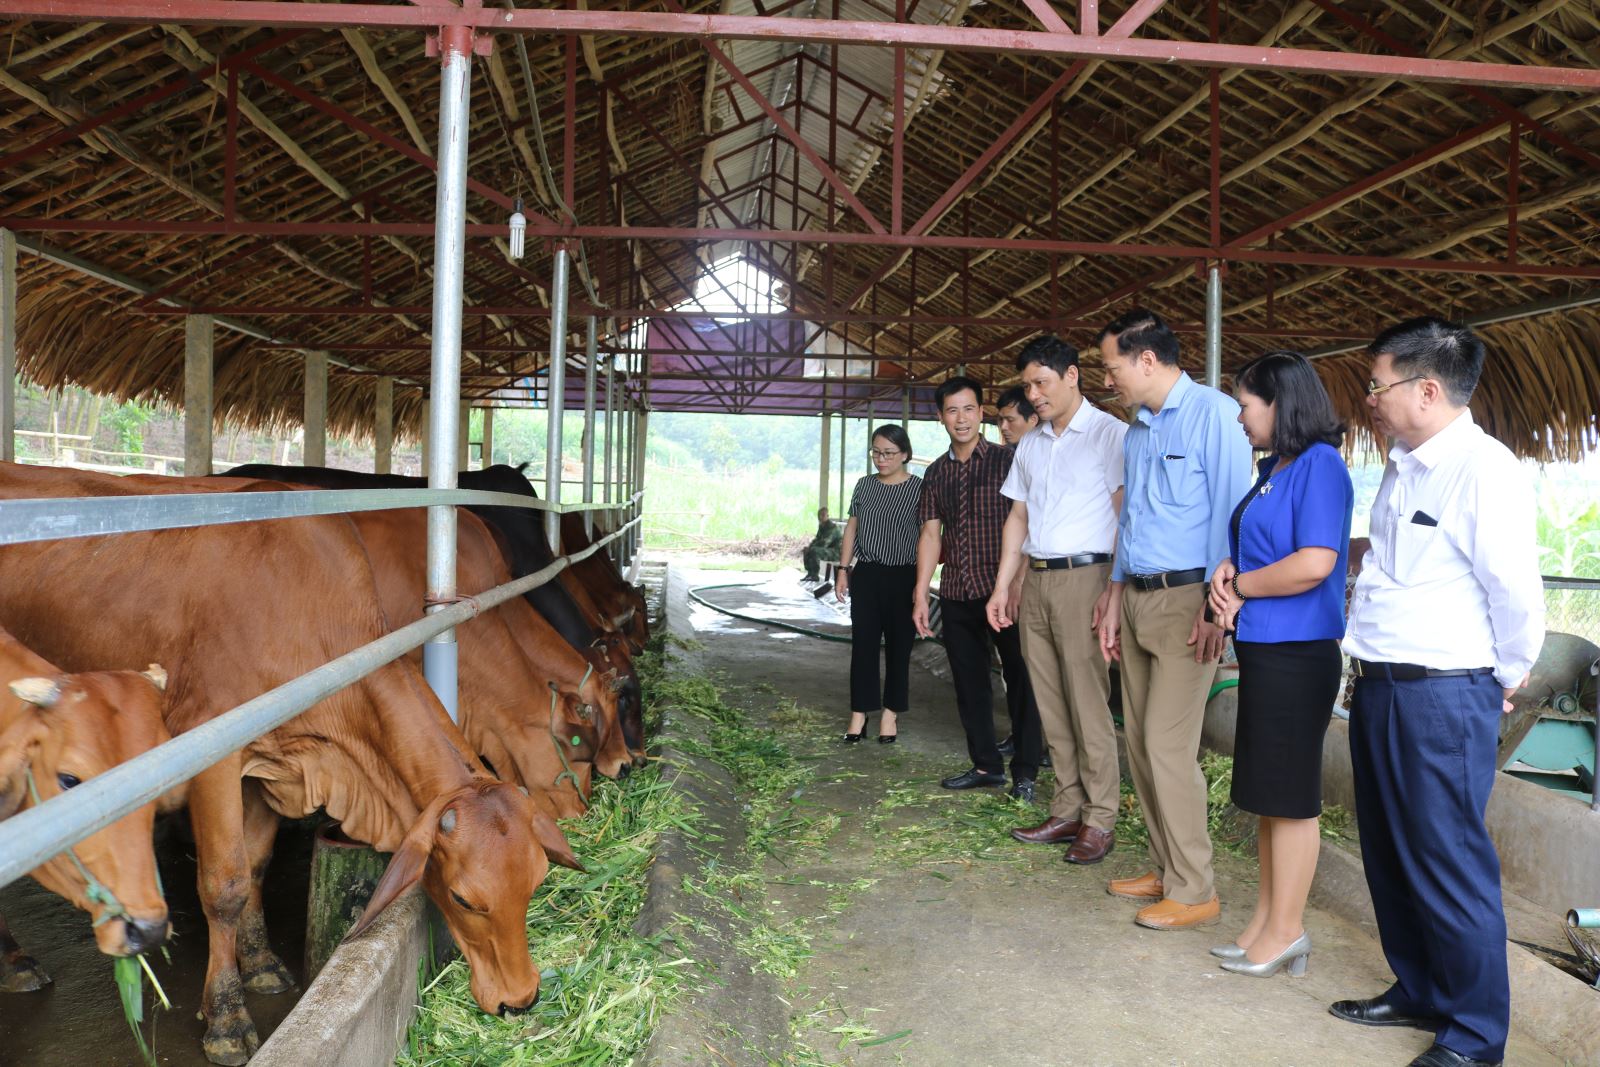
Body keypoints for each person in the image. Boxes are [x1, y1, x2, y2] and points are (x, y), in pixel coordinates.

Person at [1329, 318, 1542, 1067]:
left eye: (1378, 383)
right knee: (1389, 850)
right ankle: (1420, 986)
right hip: (1382, 684)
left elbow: (1515, 590)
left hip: (1443, 692)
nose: (1370, 397)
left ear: (1427, 387)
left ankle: (1477, 1035)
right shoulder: (1403, 463)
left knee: (1449, 860)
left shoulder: (1484, 468)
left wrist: (1506, 673)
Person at [1095, 308, 1253, 930]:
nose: (1109, 379)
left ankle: (1196, 890)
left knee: (1167, 744)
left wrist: (1221, 606)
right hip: (1135, 594)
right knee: (1138, 741)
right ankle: (1165, 868)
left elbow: (1232, 513)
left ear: (1148, 360)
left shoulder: (1215, 415)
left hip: (1191, 601)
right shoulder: (1137, 431)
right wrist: (1112, 595)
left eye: (1112, 367)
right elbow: (1129, 520)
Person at [1203, 351, 1353, 978]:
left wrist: (1240, 590)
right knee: (1268, 792)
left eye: (1245, 403)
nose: (1239, 416)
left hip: (1299, 651)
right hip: (1266, 648)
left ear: (1280, 402)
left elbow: (1315, 562)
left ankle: (1287, 929)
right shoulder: (1276, 468)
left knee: (1290, 796)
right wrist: (1230, 570)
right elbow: (1262, 549)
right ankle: (1265, 920)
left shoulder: (1321, 466)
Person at [987, 335, 1127, 864]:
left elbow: (1123, 515)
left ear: (1073, 376)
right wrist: (1005, 584)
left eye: (1041, 383)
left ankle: (1101, 819)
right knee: (1050, 701)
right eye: (1027, 385)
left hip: (1086, 577)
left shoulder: (1110, 435)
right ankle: (1067, 808)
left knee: (1088, 701)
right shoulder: (1032, 443)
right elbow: (1018, 517)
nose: (1034, 394)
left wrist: (1112, 589)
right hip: (1039, 577)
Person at [913, 376, 1043, 800]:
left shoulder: (1009, 461)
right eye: (952, 411)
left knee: (1021, 681)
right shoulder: (935, 473)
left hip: (1002, 592)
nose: (961, 418)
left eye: (969, 409)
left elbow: (1027, 526)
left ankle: (1026, 770)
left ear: (982, 413)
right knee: (970, 684)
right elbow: (931, 535)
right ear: (940, 418)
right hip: (956, 591)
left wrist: (1018, 583)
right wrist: (920, 591)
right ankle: (986, 765)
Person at [835, 426, 922, 745]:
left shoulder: (919, 489)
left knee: (900, 648)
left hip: (905, 576)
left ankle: (890, 713)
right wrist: (843, 569)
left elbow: (929, 537)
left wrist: (923, 584)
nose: (880, 459)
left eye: (888, 453)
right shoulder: (864, 486)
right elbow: (851, 529)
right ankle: (859, 712)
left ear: (905, 455)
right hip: (868, 574)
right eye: (875, 452)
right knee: (863, 646)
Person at [802, 506, 843, 582]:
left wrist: (811, 548)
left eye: (823, 515)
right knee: (806, 550)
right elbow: (817, 539)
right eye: (819, 515)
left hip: (836, 552)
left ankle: (815, 575)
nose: (821, 517)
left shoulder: (833, 527)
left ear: (828, 516)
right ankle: (810, 573)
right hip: (827, 550)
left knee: (814, 550)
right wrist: (809, 547)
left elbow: (825, 543)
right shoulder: (822, 526)